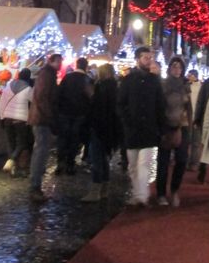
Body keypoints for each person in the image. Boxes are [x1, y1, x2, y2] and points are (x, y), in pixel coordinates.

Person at [117, 46, 166, 207]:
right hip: (132, 128)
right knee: (132, 165)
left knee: (144, 164)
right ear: (138, 59)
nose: (149, 61)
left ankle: (141, 196)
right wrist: (126, 121)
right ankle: (138, 193)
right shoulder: (128, 79)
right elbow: (121, 103)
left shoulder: (154, 81)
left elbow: (160, 104)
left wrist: (160, 126)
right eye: (146, 58)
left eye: (150, 58)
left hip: (149, 128)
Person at [155, 55, 193, 207]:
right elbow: (159, 107)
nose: (177, 70)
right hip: (166, 126)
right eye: (174, 67)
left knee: (182, 160)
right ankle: (161, 193)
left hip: (182, 126)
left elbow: (189, 107)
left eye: (180, 67)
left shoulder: (186, 86)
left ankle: (175, 190)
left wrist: (190, 123)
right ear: (170, 68)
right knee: (163, 162)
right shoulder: (163, 85)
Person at [81, 63, 120, 202]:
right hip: (110, 129)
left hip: (99, 128)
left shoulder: (102, 87)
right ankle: (104, 189)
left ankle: (95, 190)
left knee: (97, 158)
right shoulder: (115, 87)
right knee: (103, 159)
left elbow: (99, 109)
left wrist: (91, 96)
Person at [27, 53, 61, 202]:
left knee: (41, 151)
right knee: (40, 152)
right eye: (59, 61)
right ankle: (34, 187)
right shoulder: (47, 75)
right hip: (41, 119)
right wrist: (50, 117)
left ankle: (36, 185)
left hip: (42, 118)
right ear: (51, 61)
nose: (60, 64)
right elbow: (42, 97)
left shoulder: (48, 74)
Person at [56, 56, 93, 175]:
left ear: (77, 65)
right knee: (74, 138)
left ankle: (60, 162)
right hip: (79, 114)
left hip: (64, 113)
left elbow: (59, 94)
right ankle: (70, 164)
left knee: (63, 138)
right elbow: (90, 97)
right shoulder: (87, 79)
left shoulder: (67, 77)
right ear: (86, 67)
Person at [0, 68, 33, 177]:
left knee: (11, 143)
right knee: (22, 143)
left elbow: (2, 102)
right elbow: (33, 103)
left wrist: (2, 117)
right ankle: (11, 160)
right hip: (21, 120)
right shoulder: (28, 89)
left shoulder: (8, 86)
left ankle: (13, 169)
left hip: (7, 118)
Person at [186, 69, 203, 171]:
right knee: (188, 141)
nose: (189, 77)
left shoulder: (201, 87)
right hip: (188, 117)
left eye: (190, 75)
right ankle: (188, 161)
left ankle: (194, 163)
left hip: (196, 117)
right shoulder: (186, 86)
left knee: (196, 142)